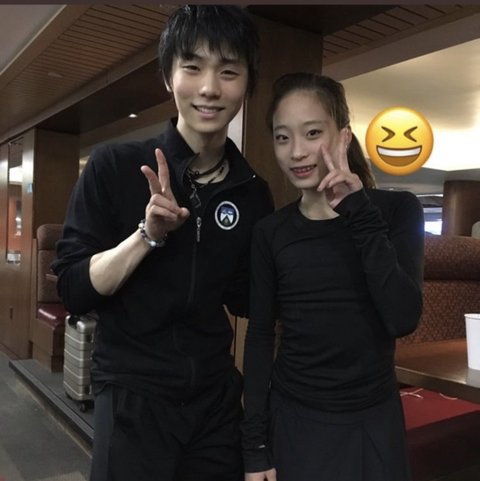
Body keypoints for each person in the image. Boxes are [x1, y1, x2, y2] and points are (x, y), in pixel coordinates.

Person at [52, 5, 274, 481]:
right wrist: (146, 235)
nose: (210, 88)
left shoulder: (251, 192)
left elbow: (246, 299)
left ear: (248, 83)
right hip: (132, 395)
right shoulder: (115, 167)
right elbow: (74, 288)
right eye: (192, 67)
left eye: (228, 71)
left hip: (214, 400)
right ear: (168, 77)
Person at [241, 72, 424, 481]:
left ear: (342, 136)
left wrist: (357, 210)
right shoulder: (270, 232)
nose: (296, 151)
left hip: (373, 421)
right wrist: (255, 447)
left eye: (312, 133)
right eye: (283, 137)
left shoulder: (396, 211)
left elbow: (402, 317)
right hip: (296, 422)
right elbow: (260, 336)